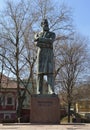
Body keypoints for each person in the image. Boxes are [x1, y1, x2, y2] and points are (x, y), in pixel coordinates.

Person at [34, 19, 56, 94]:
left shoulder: (52, 34)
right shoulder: (37, 34)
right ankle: (39, 91)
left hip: (49, 54)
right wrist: (47, 44)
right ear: (41, 25)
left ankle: (51, 90)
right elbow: (36, 44)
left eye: (46, 23)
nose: (45, 24)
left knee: (50, 73)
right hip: (40, 54)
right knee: (40, 73)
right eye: (43, 23)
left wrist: (40, 40)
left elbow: (51, 41)